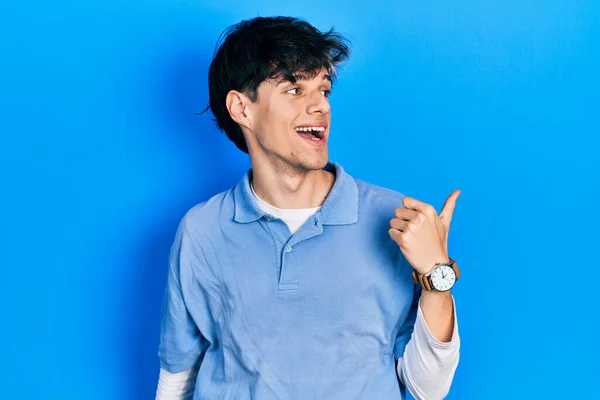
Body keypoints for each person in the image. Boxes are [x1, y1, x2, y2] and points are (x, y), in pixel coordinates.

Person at [156, 16, 461, 400]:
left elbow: (428, 390)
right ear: (241, 108)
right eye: (295, 89)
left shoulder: (396, 220)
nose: (319, 106)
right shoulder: (201, 231)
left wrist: (437, 276)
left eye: (324, 89)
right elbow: (178, 377)